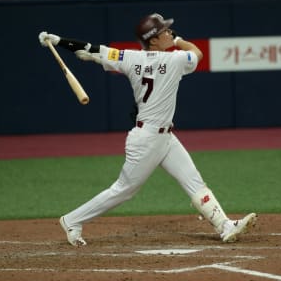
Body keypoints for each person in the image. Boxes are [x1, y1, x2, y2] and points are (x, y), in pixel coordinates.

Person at [38, 13, 257, 246]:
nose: (169, 33)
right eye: (164, 32)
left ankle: (224, 226)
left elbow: (91, 50)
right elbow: (198, 53)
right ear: (152, 40)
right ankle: (73, 219)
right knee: (124, 190)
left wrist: (59, 41)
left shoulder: (130, 57)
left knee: (194, 181)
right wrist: (180, 40)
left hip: (164, 137)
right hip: (147, 139)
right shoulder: (176, 59)